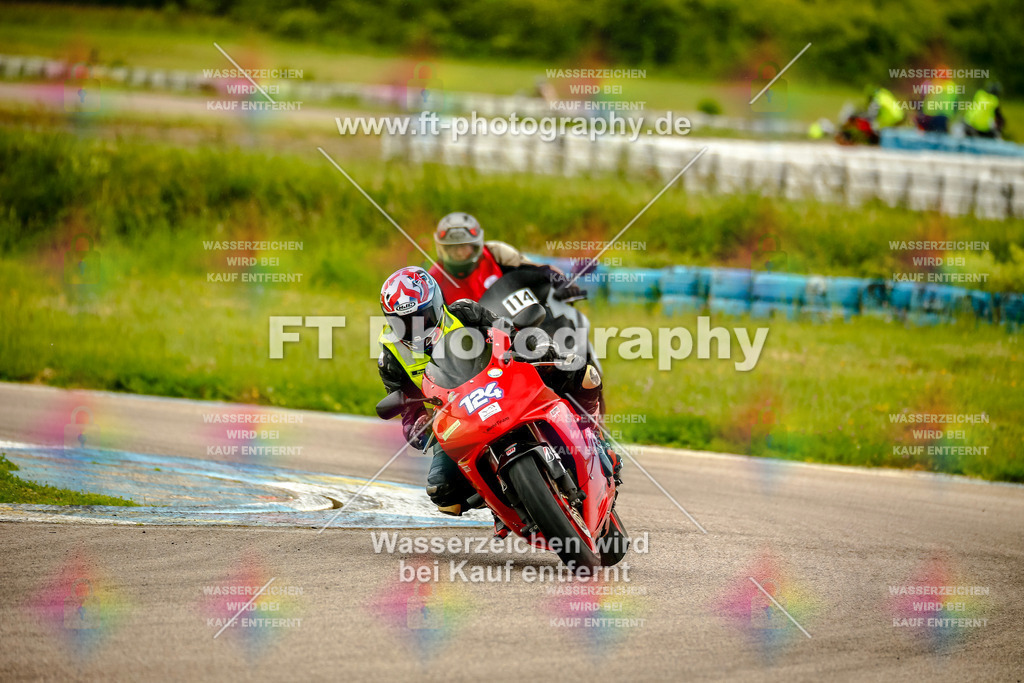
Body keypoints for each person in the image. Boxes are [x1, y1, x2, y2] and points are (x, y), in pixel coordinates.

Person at [377, 266, 614, 518]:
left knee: (583, 374)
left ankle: (593, 434)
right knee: (443, 493)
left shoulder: (464, 312)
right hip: (456, 418)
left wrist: (537, 346)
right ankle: (504, 500)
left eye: (420, 317)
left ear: (435, 305)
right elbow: (406, 410)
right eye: (402, 323)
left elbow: (509, 332)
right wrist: (419, 428)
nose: (414, 328)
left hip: (503, 382)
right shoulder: (391, 357)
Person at [427, 212, 583, 304]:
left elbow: (538, 270)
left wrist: (563, 282)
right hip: (470, 346)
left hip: (518, 329)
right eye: (453, 249)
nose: (460, 254)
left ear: (476, 245)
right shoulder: (432, 280)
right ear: (443, 248)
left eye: (464, 247)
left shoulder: (496, 253)